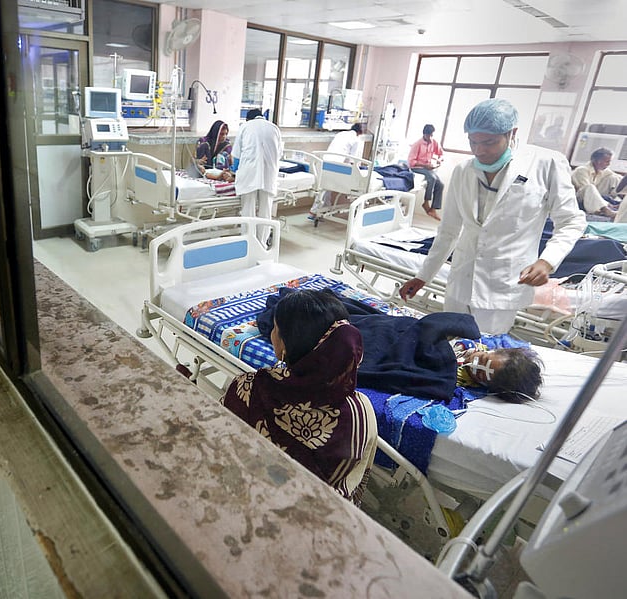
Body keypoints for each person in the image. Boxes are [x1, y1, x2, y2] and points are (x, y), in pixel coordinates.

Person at [399, 98, 586, 335]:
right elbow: (448, 231)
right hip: (461, 279)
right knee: (449, 345)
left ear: (512, 133)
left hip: (504, 283)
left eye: (489, 142)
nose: (479, 150)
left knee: (483, 354)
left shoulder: (544, 164)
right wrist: (423, 276)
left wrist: (546, 261)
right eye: (473, 142)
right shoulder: (463, 171)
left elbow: (572, 221)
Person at [221, 290, 378, 505]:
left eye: (275, 328)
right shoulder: (361, 411)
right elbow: (356, 479)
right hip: (327, 520)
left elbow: (221, 443)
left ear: (285, 345)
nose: (272, 333)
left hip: (247, 503)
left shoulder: (248, 388)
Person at [232, 108, 283, 243]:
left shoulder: (245, 126)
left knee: (247, 209)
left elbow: (236, 155)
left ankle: (248, 242)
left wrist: (233, 171)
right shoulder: (274, 128)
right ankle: (262, 244)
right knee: (266, 211)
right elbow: (279, 154)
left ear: (248, 119)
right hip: (269, 174)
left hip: (249, 172)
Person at [452, 339, 544, 403]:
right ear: (493, 351)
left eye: (479, 374)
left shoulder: (458, 379)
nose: (473, 364)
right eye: (482, 358)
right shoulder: (475, 344)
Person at [308, 123, 365, 219]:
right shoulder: (356, 140)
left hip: (325, 162)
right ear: (359, 133)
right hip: (337, 165)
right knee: (326, 188)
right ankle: (314, 211)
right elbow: (352, 159)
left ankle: (324, 209)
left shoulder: (341, 134)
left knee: (325, 187)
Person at [571, 147, 622, 220]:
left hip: (594, 199)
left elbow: (619, 179)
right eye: (607, 161)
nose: (609, 164)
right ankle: (606, 210)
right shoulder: (582, 170)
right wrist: (607, 204)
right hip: (579, 200)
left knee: (614, 177)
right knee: (589, 187)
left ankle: (621, 205)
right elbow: (585, 192)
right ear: (597, 161)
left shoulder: (601, 170)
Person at [408, 124, 445, 220]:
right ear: (424, 134)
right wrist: (425, 165)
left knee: (440, 184)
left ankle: (433, 209)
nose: (430, 138)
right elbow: (411, 162)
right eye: (429, 136)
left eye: (432, 135)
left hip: (428, 168)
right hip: (417, 167)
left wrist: (438, 161)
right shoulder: (417, 144)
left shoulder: (434, 142)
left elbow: (441, 154)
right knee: (432, 178)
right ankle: (426, 202)